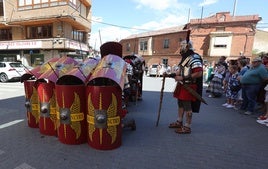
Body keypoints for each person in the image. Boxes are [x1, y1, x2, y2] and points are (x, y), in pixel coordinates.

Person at [165, 40, 203, 134]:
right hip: (182, 85)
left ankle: (187, 126)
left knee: (187, 106)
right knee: (180, 104)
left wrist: (182, 77)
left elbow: (198, 73)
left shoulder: (194, 57)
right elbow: (179, 71)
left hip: (189, 85)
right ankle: (179, 121)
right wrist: (169, 75)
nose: (180, 48)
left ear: (186, 47)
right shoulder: (186, 58)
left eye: (182, 46)